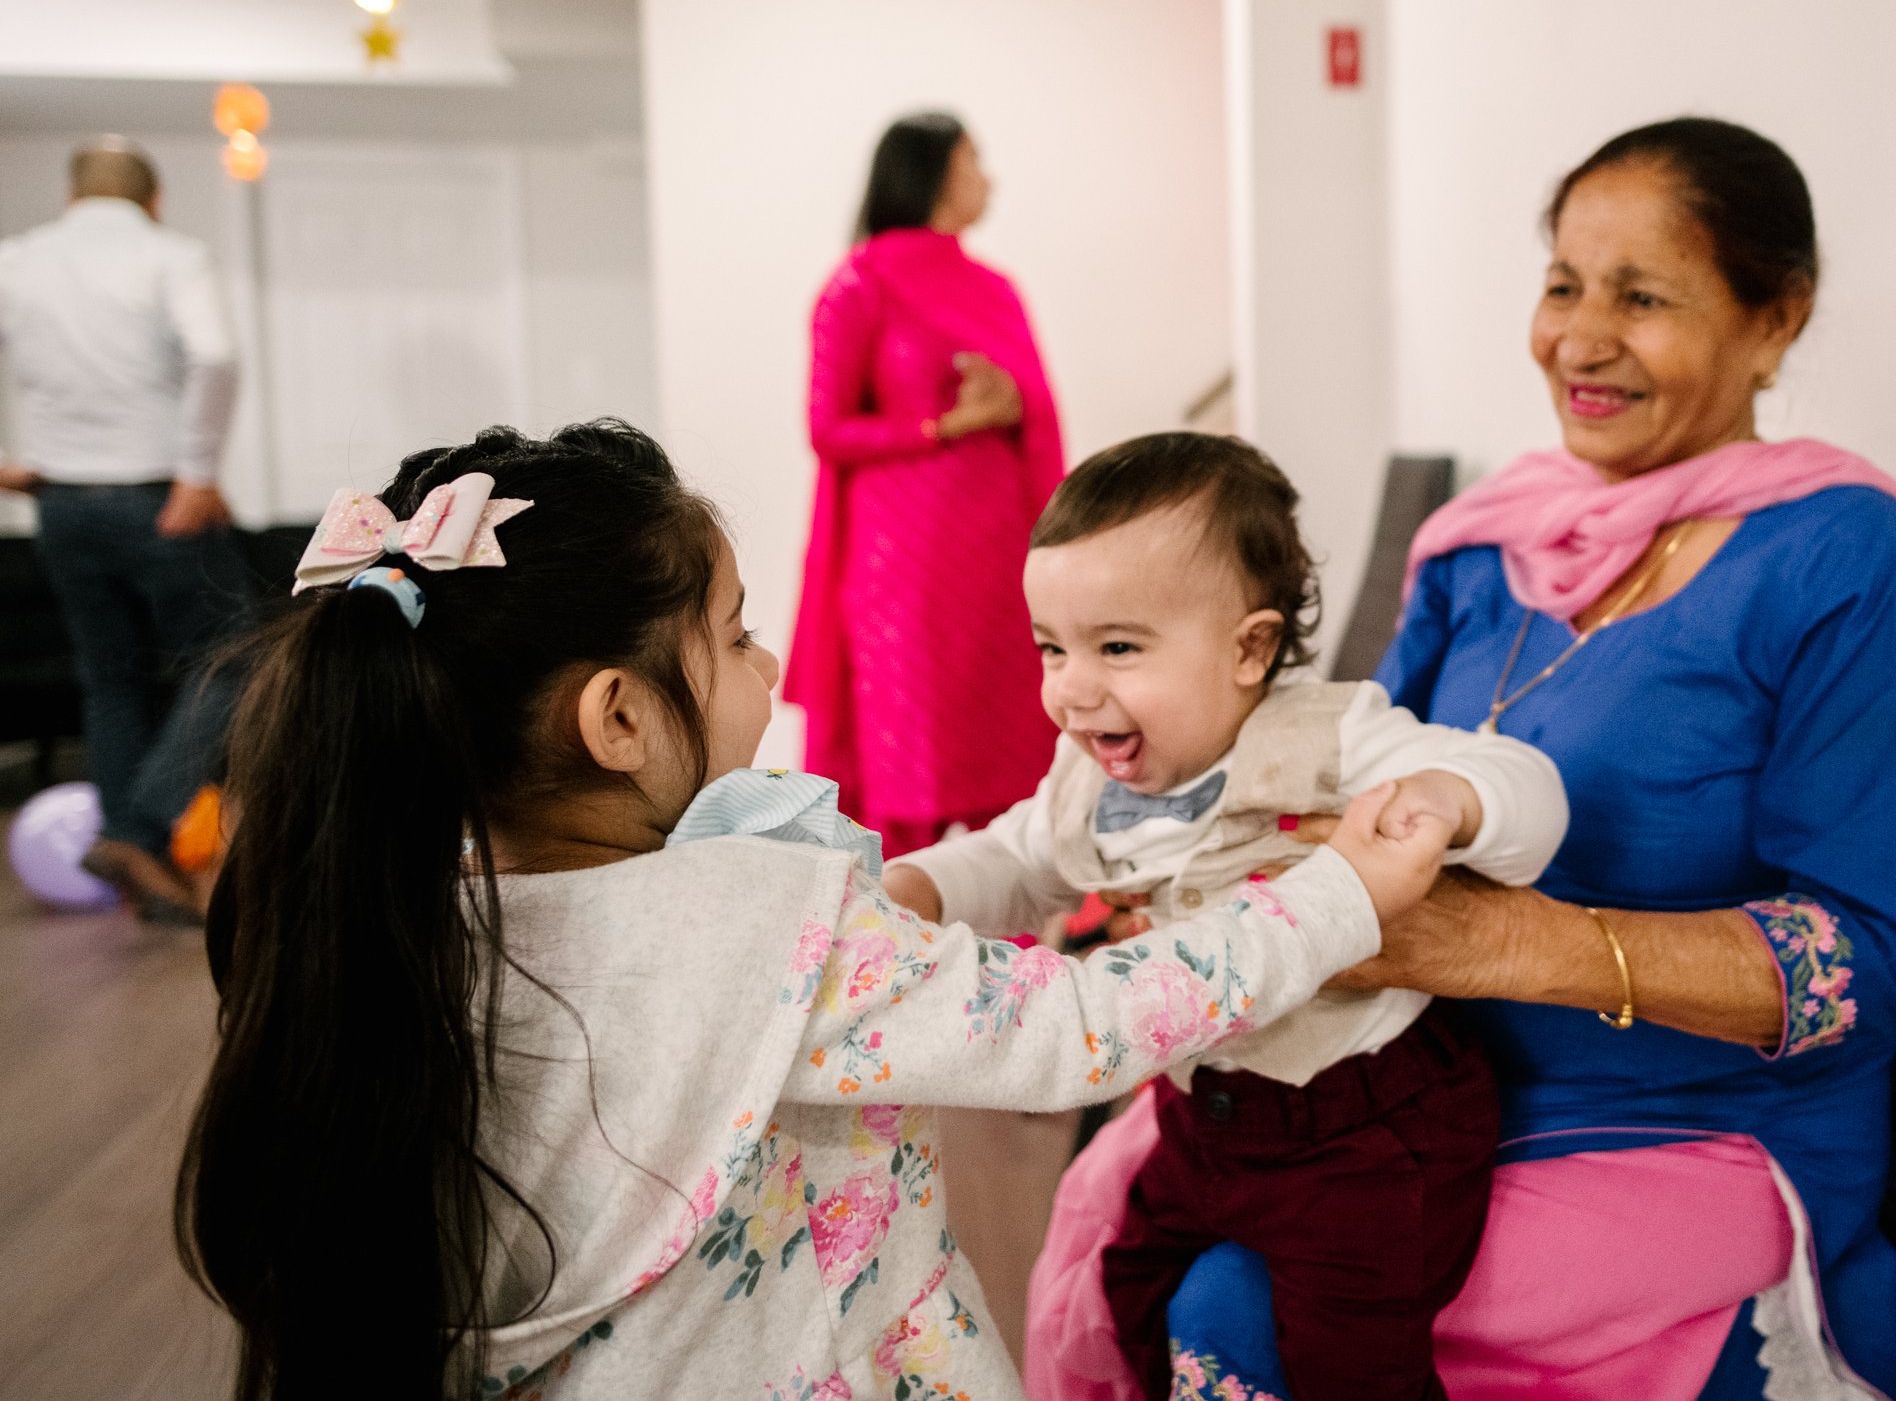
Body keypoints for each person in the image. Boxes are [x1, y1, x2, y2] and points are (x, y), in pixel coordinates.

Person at [1025, 120, 1896, 1401]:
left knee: (1240, 1304)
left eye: (1642, 296)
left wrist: (1518, 946)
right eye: (1563, 285)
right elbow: (1316, 774)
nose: (1580, 337)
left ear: (1775, 318)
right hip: (1417, 1088)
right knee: (1145, 1208)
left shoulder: (1847, 560)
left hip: (1702, 1126)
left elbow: (1874, 958)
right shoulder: (1489, 551)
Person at [176, 419, 1455, 1401]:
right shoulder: (764, 925)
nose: (769, 665)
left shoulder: (401, 921)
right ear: (619, 718)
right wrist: (1341, 891)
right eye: (734, 639)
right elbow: (1084, 1022)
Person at [885, 433, 1568, 1401]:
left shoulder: (1326, 734)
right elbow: (1017, 856)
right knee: (1126, 1300)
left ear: (1249, 647)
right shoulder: (1091, 771)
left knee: (1352, 1364)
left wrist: (1454, 802)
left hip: (1363, 1128)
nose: (1073, 688)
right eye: (1052, 647)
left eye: (1117, 647)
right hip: (1205, 1119)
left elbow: (1526, 782)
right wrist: (924, 887)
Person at [787, 112, 1066, 856]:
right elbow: (827, 429)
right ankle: (900, 932)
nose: (989, 178)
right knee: (911, 748)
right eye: (975, 160)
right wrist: (944, 426)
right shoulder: (859, 285)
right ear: (936, 173)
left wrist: (1009, 405)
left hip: (996, 554)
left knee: (1003, 738)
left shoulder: (995, 289)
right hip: (903, 569)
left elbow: (1034, 408)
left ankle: (1014, 927)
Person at [0, 135, 247, 921]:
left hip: (59, 500)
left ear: (73, 196)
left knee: (110, 676)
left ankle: (126, 841)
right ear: (153, 200)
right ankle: (139, 826)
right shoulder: (170, 255)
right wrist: (200, 473)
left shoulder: (18, 259)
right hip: (154, 496)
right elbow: (215, 355)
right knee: (238, 654)